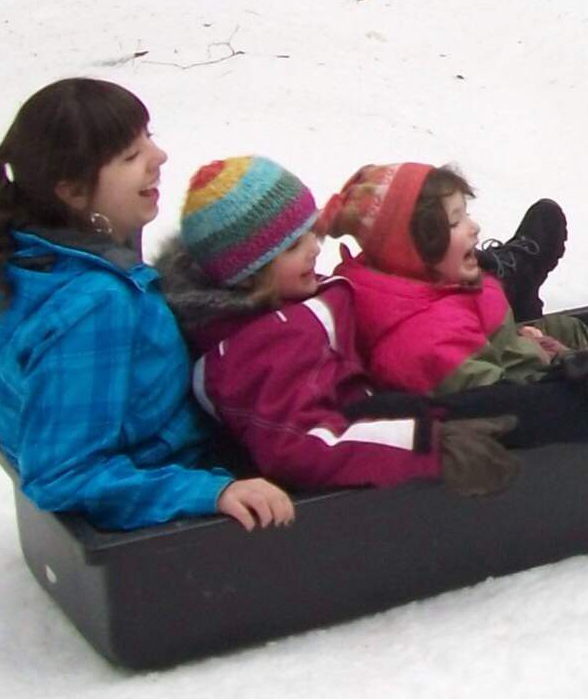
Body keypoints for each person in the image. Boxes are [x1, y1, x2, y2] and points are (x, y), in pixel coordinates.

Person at [0, 79, 294, 533]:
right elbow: (65, 474)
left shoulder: (31, 260)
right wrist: (211, 492)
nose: (159, 157)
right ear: (74, 192)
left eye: (149, 138)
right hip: (170, 470)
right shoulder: (94, 305)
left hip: (163, 440)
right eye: (131, 157)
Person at [154, 156, 521, 496]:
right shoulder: (261, 350)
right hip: (379, 440)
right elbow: (298, 447)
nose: (314, 249)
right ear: (249, 274)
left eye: (311, 233)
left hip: (385, 406)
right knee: (519, 405)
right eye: (293, 247)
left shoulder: (290, 298)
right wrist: (428, 445)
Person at [327, 161, 588, 437]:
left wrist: (526, 341)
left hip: (501, 350)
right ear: (413, 251)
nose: (473, 227)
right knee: (574, 356)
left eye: (465, 213)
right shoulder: (424, 343)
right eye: (456, 221)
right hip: (524, 411)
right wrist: (552, 361)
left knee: (565, 329)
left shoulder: (416, 287)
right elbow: (506, 407)